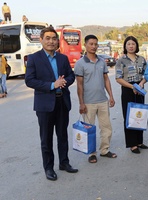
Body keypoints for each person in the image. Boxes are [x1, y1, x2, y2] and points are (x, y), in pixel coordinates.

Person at [25, 27, 78, 181]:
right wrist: (52, 85)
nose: (51, 41)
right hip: (45, 105)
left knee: (62, 135)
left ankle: (64, 163)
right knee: (46, 138)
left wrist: (64, 82)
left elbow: (71, 76)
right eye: (47, 38)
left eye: (54, 38)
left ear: (57, 41)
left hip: (62, 102)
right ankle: (49, 168)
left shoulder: (62, 58)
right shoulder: (34, 58)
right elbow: (29, 80)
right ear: (41, 40)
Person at [74, 34, 117, 163]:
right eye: (91, 44)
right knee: (89, 129)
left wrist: (111, 96)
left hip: (103, 101)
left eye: (95, 44)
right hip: (88, 103)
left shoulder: (101, 61)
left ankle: (105, 150)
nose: (93, 46)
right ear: (85, 45)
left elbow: (106, 80)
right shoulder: (80, 63)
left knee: (106, 127)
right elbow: (79, 85)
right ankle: (91, 153)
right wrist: (81, 103)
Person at [115, 36, 148, 154]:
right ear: (125, 46)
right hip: (127, 89)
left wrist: (141, 84)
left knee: (140, 114)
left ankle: (139, 141)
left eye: (133, 44)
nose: (131, 46)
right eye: (128, 44)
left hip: (139, 88)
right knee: (129, 116)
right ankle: (132, 144)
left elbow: (146, 75)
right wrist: (132, 87)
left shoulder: (142, 59)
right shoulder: (121, 60)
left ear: (136, 45)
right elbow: (118, 78)